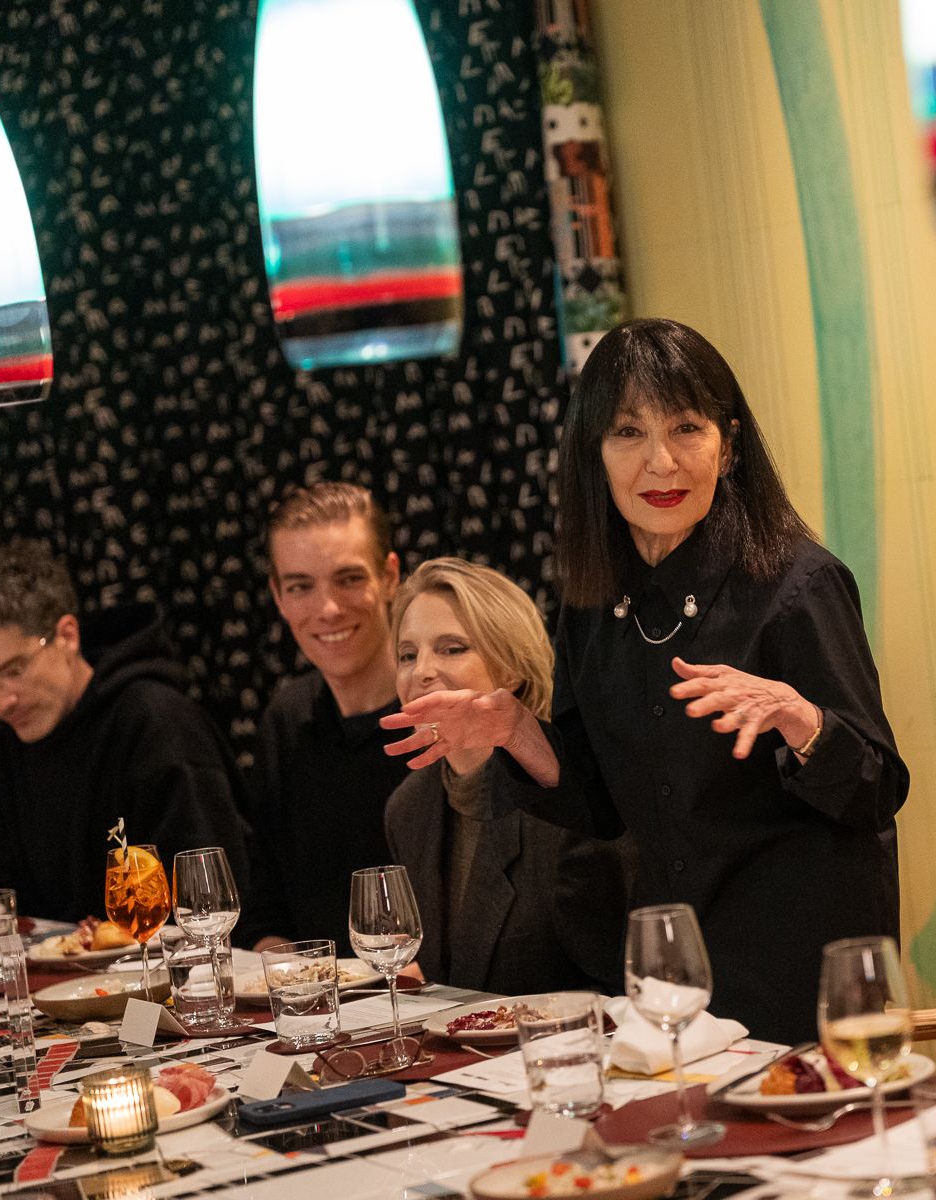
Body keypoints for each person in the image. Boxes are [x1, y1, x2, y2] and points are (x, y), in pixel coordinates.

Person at [382, 317, 908, 1042]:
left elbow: (879, 786)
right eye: (628, 433)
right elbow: (597, 802)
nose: (661, 462)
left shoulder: (796, 584)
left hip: (802, 972)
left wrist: (798, 716)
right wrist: (516, 731)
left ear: (727, 448)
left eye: (686, 428)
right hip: (675, 978)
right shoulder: (595, 601)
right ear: (592, 454)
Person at [0, 538, 254, 922]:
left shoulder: (155, 721)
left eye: (13, 671)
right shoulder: (2, 746)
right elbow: (5, 901)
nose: (1, 702)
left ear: (66, 635)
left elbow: (208, 902)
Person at [383, 558, 629, 992]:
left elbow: (620, 987)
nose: (420, 671)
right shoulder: (408, 807)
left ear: (511, 670)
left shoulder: (565, 801)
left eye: (451, 648)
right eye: (407, 654)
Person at [246, 483, 406, 945]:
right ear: (278, 596)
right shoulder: (286, 719)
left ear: (390, 576)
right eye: (301, 586)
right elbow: (263, 910)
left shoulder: (444, 716)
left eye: (349, 579)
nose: (328, 609)